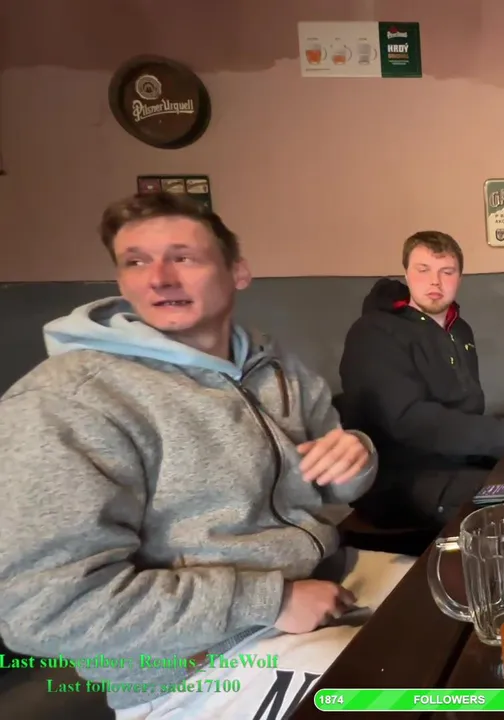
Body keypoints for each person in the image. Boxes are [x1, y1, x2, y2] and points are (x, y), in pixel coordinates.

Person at [0, 192, 414, 719]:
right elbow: (45, 611)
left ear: (238, 272)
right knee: (406, 692)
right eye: (136, 262)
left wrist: (357, 454)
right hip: (197, 666)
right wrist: (273, 601)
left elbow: (333, 483)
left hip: (327, 579)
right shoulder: (68, 400)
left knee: (469, 602)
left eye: (183, 257)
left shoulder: (272, 363)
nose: (159, 279)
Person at [338, 231, 504, 535]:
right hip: (399, 481)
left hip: (456, 461)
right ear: (406, 274)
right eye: (423, 270)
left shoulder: (460, 330)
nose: (435, 282)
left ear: (459, 278)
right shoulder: (373, 332)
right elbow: (409, 422)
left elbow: (467, 412)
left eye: (446, 272)